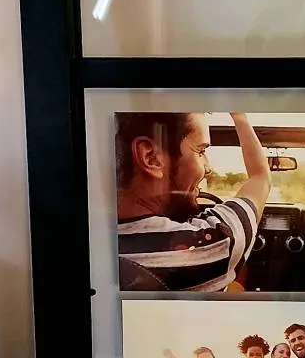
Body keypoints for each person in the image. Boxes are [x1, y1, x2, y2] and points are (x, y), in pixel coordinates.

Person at [115, 112, 271, 292]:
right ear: (151, 157)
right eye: (201, 151)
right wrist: (239, 116)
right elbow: (260, 178)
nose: (208, 167)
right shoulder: (210, 246)